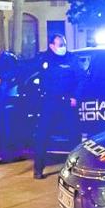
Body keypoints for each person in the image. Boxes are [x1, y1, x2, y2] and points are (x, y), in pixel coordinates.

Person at [32, 34, 80, 179]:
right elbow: (29, 72)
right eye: (60, 45)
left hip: (67, 102)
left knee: (74, 136)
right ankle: (38, 168)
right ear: (52, 46)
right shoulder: (44, 59)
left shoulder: (71, 59)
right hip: (49, 102)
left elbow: (81, 79)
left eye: (64, 44)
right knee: (42, 135)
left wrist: (75, 96)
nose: (63, 47)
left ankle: (75, 168)